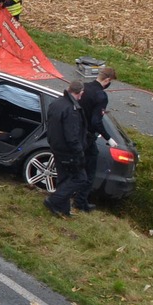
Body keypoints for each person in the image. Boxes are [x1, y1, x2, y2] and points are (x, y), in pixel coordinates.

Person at [75, 67, 118, 212]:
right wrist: (109, 138)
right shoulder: (101, 96)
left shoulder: (84, 87)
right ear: (107, 80)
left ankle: (72, 194)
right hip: (87, 136)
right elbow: (96, 121)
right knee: (90, 169)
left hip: (75, 132)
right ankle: (81, 202)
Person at [43, 81, 88, 218]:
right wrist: (79, 153)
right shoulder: (71, 110)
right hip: (68, 151)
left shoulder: (56, 103)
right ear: (80, 93)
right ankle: (54, 200)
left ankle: (64, 210)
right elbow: (72, 135)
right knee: (80, 178)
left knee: (64, 178)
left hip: (56, 147)